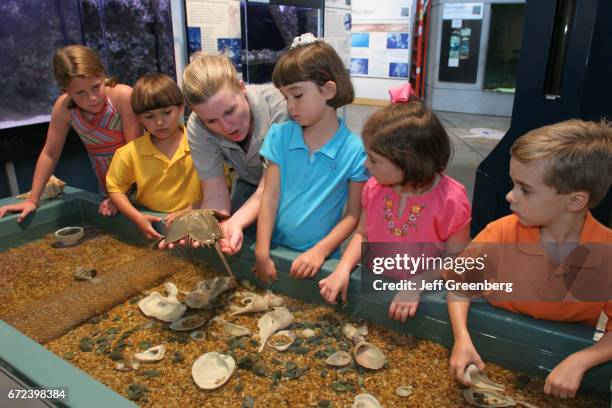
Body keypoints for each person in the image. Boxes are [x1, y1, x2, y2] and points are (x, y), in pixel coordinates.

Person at [447, 120, 612, 399]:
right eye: (513, 184)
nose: (510, 196)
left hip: (561, 351)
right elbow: (459, 284)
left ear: (574, 201)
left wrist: (583, 360)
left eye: (525, 189)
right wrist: (461, 337)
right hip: (488, 336)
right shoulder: (499, 233)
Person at [318, 101, 472, 320]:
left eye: (374, 159)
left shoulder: (451, 200)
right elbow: (363, 233)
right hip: (376, 284)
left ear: (409, 162)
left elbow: (457, 259)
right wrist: (343, 267)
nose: (366, 165)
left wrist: (419, 282)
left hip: (426, 296)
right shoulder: (374, 188)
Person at [254, 34, 369, 284]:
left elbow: (353, 214)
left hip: (321, 260)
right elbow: (269, 197)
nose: (290, 106)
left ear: (328, 89)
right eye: (286, 98)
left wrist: (321, 250)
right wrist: (262, 251)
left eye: (297, 95)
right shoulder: (279, 136)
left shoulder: (355, 150)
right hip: (274, 248)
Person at [160, 52, 289, 251]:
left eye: (229, 111)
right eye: (211, 121)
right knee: (236, 241)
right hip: (250, 185)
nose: (226, 126)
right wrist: (203, 226)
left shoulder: (281, 107)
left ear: (241, 88)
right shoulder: (197, 125)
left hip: (296, 187)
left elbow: (270, 187)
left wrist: (235, 221)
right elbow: (214, 190)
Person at [0, 45, 141, 221]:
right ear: (65, 91)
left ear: (102, 75)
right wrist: (32, 200)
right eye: (80, 93)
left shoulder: (122, 96)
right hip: (108, 188)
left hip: (137, 185)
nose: (92, 98)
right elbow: (49, 154)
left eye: (96, 87)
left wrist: (121, 195)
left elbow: (135, 151)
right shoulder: (64, 108)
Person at [105, 74, 202, 239]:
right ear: (139, 118)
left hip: (196, 219)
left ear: (181, 108)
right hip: (153, 222)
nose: (159, 122)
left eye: (166, 113)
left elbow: (220, 185)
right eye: (149, 116)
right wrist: (137, 217)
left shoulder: (201, 144)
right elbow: (115, 188)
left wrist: (193, 209)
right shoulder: (129, 153)